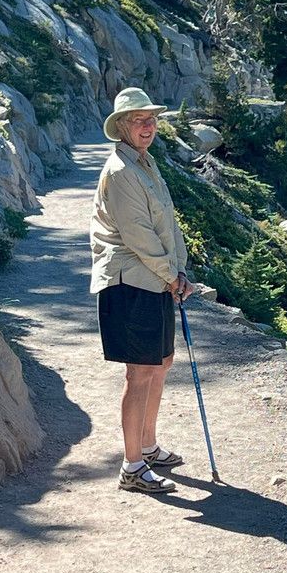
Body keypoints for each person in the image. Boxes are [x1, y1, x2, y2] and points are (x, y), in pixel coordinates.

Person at [90, 87, 194, 494]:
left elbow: (166, 224)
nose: (148, 126)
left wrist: (179, 269)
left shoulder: (144, 165)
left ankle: (147, 446)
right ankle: (132, 465)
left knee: (162, 362)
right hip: (129, 280)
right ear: (121, 127)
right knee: (140, 372)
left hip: (153, 277)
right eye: (138, 120)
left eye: (150, 119)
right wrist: (171, 275)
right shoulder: (120, 172)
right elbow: (138, 235)